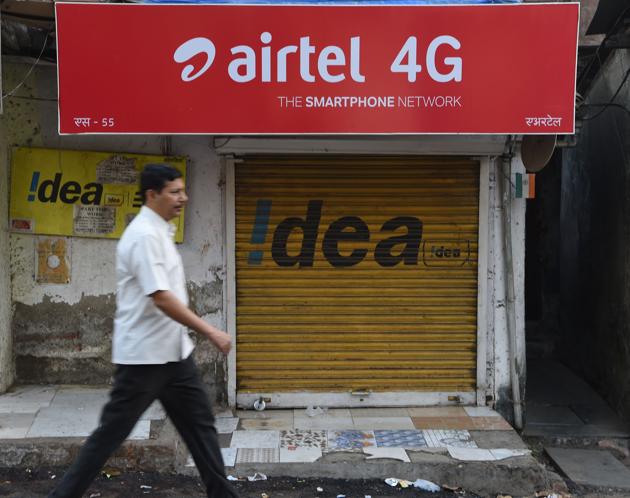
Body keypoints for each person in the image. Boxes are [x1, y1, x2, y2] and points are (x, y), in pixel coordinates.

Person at [49, 164, 239, 498]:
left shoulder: (160, 231)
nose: (184, 197)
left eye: (183, 190)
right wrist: (210, 331)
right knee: (110, 435)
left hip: (173, 354)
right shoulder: (143, 236)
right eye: (175, 192)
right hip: (144, 358)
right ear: (153, 195)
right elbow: (162, 298)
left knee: (200, 428)